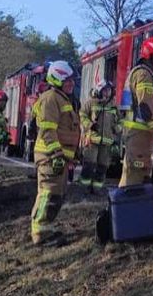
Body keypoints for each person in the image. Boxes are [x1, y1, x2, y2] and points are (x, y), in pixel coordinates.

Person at [29, 61, 81, 245]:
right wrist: (57, 154)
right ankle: (40, 234)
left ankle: (45, 228)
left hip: (59, 157)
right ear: (57, 79)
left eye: (72, 81)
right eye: (67, 81)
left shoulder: (61, 98)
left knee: (56, 194)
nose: (71, 84)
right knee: (48, 194)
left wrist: (72, 155)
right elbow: (48, 130)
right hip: (50, 157)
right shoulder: (51, 98)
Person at [120, 36, 153, 186]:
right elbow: (145, 106)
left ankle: (131, 208)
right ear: (149, 54)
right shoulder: (143, 75)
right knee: (134, 177)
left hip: (143, 135)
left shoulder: (149, 75)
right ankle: (125, 208)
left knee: (140, 176)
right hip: (139, 134)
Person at [80, 82, 120, 193]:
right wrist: (89, 125)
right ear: (99, 90)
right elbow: (82, 115)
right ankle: (83, 189)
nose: (107, 93)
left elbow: (121, 120)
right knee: (89, 164)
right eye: (105, 90)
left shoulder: (113, 105)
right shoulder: (91, 103)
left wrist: (117, 128)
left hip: (107, 142)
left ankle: (96, 189)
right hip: (92, 140)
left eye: (109, 90)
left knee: (102, 167)